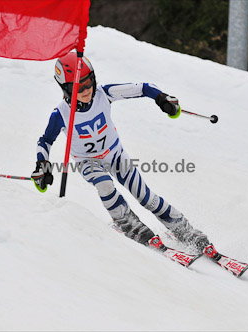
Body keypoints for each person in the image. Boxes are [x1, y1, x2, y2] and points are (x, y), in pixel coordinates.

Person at [31, 52, 218, 258]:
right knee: (104, 184)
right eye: (78, 87)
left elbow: (143, 88)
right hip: (88, 162)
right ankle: (126, 222)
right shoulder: (61, 114)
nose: (86, 90)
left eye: (89, 82)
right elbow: (45, 141)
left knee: (146, 197)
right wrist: (42, 166)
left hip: (115, 155)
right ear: (65, 89)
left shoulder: (105, 93)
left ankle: (184, 229)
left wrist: (162, 98)